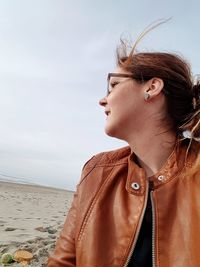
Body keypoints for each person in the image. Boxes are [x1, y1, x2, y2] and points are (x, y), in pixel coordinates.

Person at [47, 23, 200, 267]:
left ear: (151, 87)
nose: (102, 99)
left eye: (114, 85)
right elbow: (63, 262)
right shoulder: (96, 172)